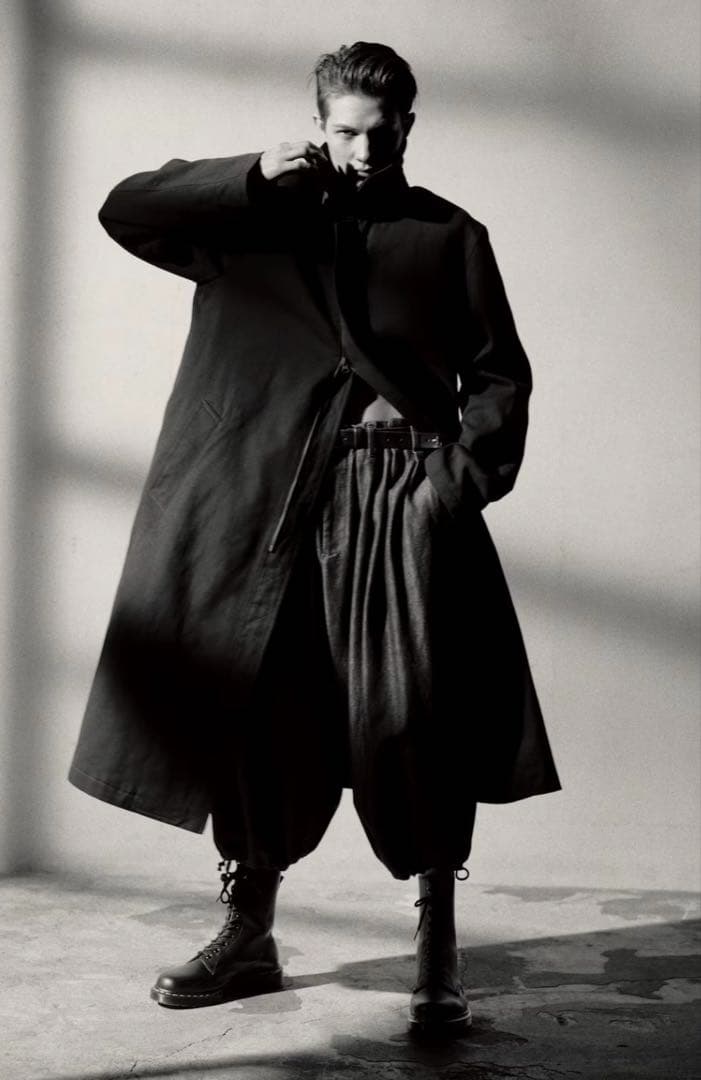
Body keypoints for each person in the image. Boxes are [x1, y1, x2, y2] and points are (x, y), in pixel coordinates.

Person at [69, 41, 560, 1036]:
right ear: (318, 125)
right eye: (345, 132)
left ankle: (436, 948)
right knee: (257, 710)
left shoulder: (447, 236)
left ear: (407, 126)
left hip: (394, 502)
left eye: (382, 134)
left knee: (414, 719)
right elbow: (127, 209)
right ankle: (248, 932)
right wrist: (250, 174)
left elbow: (497, 376)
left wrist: (447, 489)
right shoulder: (247, 219)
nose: (364, 152)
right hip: (259, 503)